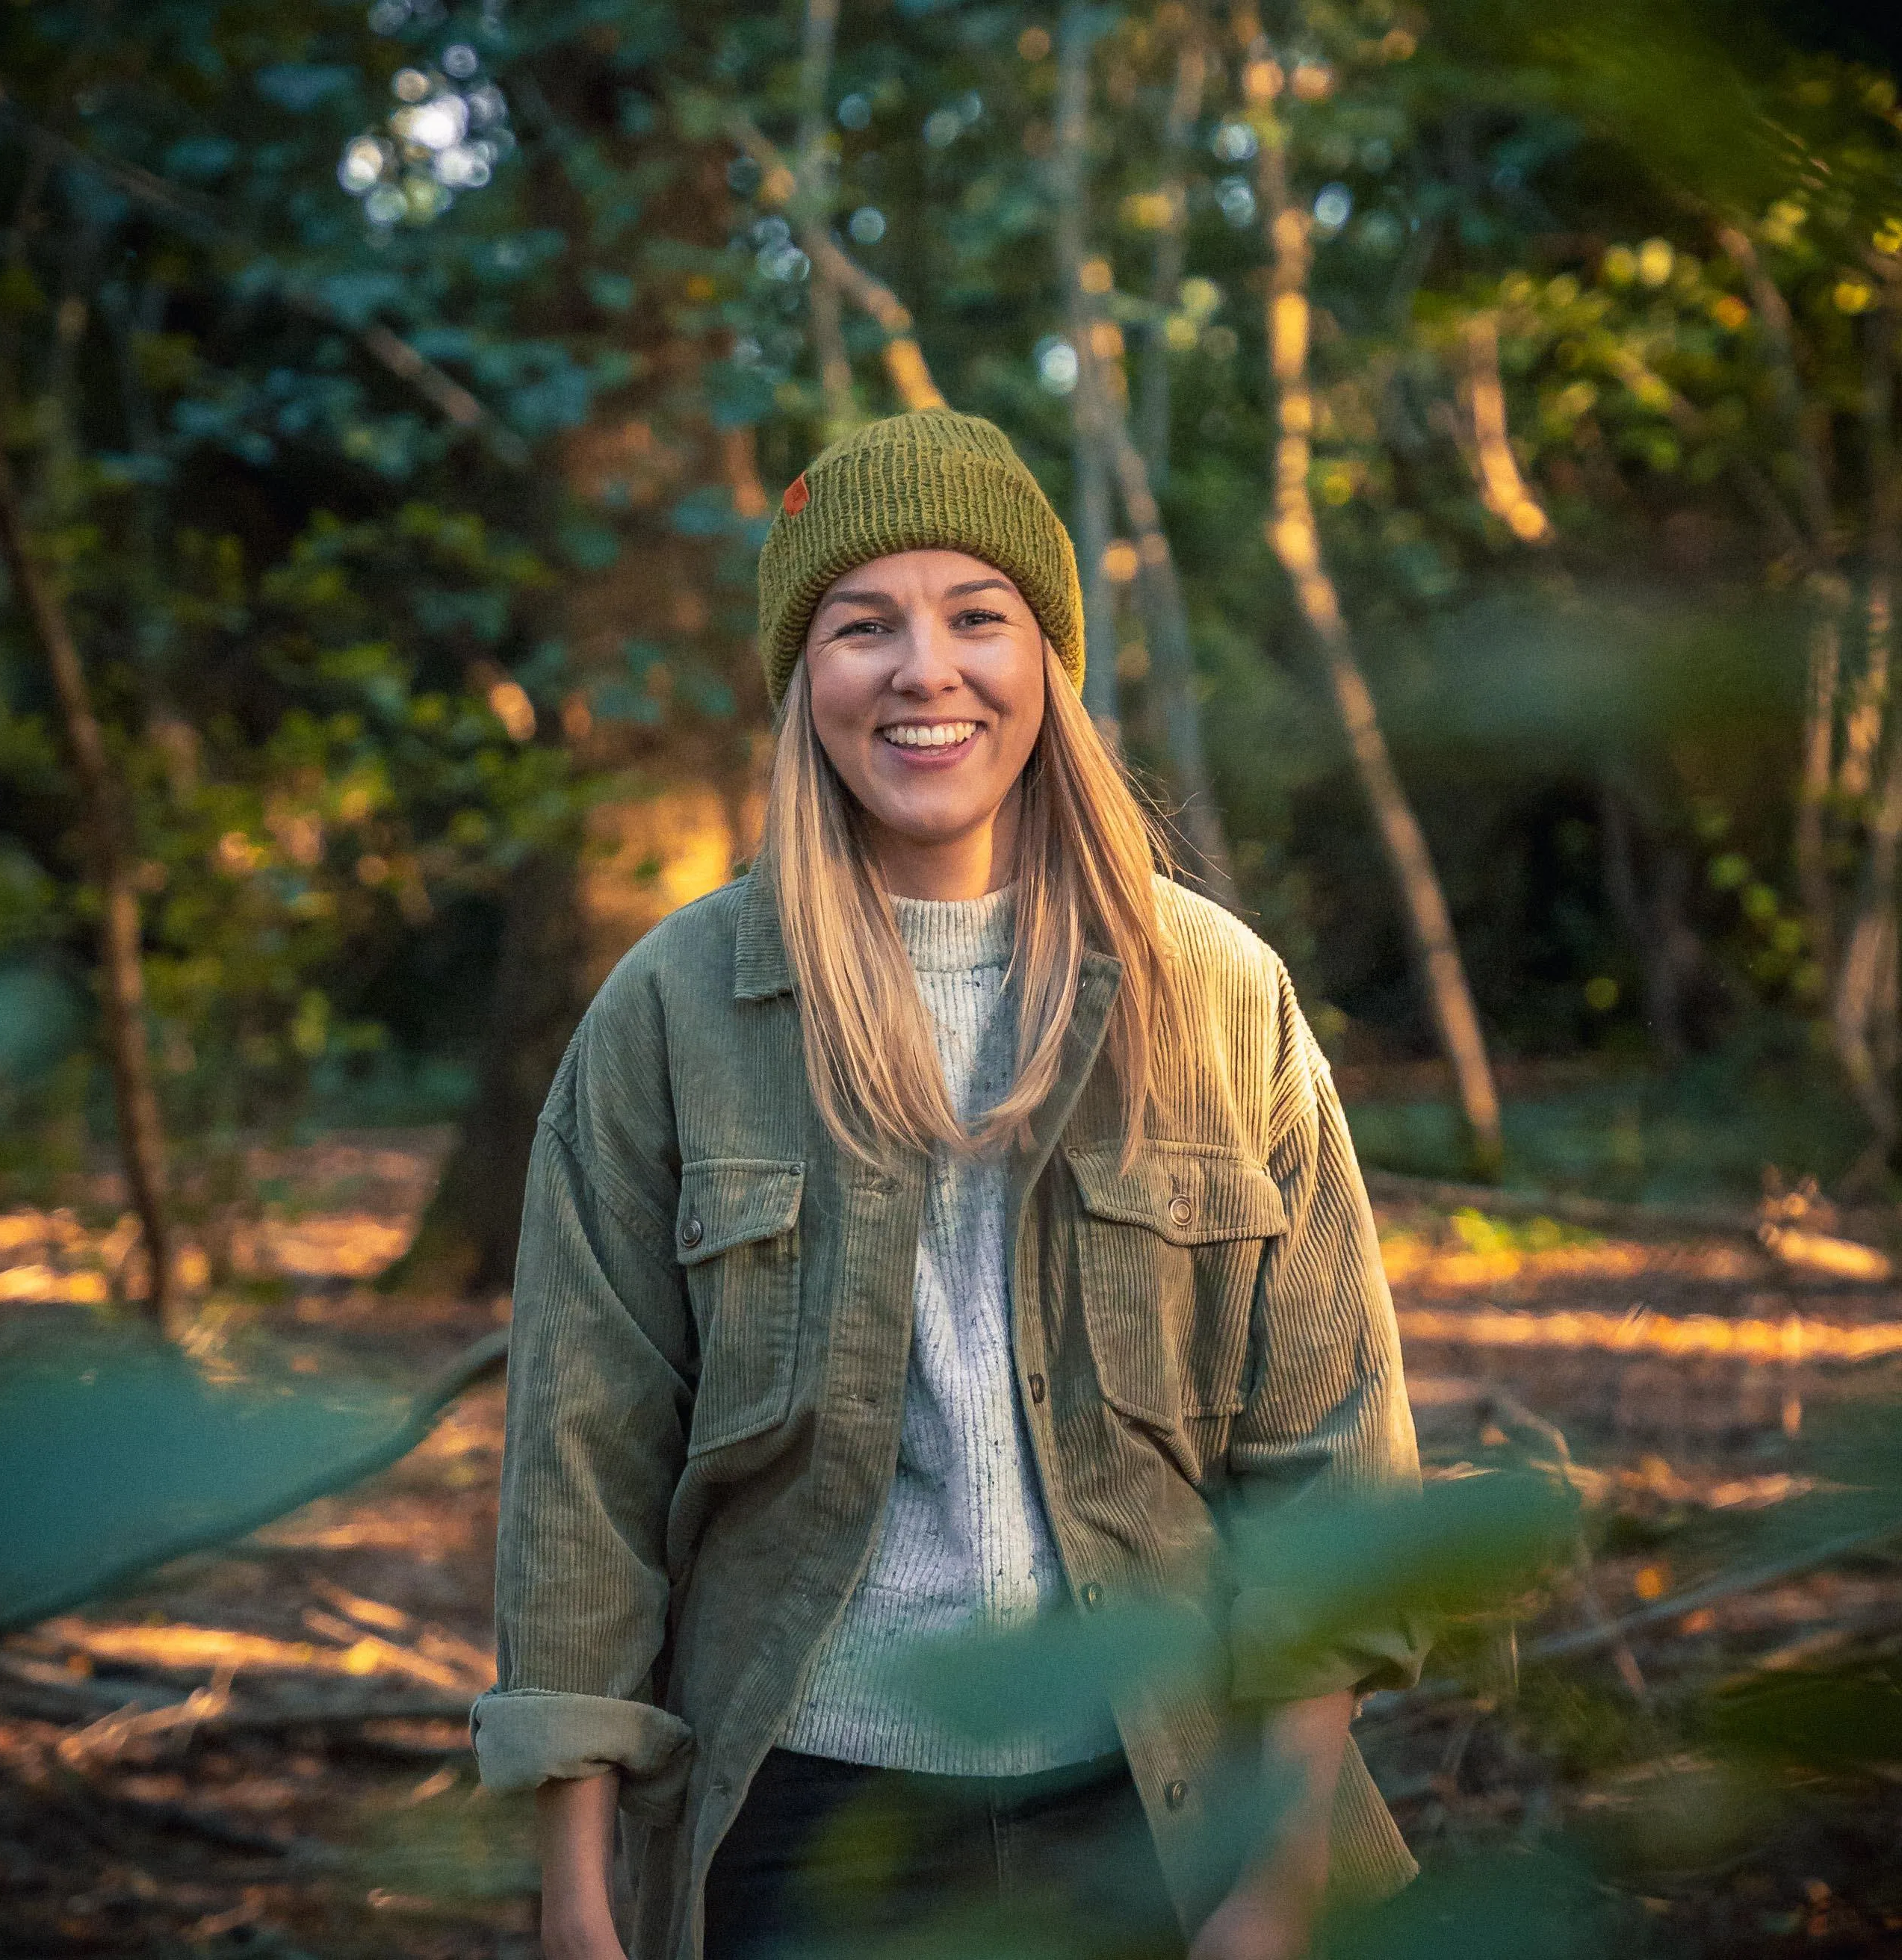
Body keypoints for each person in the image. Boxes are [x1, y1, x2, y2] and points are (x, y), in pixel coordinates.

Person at [472, 409, 1425, 1960]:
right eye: (865, 626)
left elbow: (1329, 1451)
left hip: (1156, 1801)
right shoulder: (671, 1014)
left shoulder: (1215, 995)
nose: (926, 669)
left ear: (1045, 659)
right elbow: (581, 1463)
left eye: (977, 615)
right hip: (798, 1811)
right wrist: (581, 1898)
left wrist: (1283, 1871)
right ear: (802, 683)